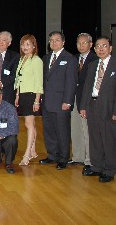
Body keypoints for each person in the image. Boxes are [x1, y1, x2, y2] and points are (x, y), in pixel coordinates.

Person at [80, 36, 116, 183]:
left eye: (104, 46)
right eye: (98, 46)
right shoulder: (92, 65)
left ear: (110, 48)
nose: (101, 49)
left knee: (109, 139)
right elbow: (87, 88)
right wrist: (83, 106)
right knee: (94, 138)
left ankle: (109, 170)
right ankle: (96, 166)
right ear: (94, 49)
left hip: (109, 108)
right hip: (92, 105)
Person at [39, 31, 77, 170]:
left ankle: (63, 157)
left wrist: (68, 101)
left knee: (62, 131)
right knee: (49, 130)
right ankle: (52, 155)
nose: (53, 43)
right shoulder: (46, 58)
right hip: (47, 101)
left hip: (62, 102)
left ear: (63, 42)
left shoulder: (70, 58)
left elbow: (71, 82)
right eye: (51, 40)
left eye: (56, 40)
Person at [14, 34, 43, 166]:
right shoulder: (22, 59)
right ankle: (33, 150)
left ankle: (26, 156)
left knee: (28, 124)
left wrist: (37, 100)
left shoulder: (36, 60)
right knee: (31, 124)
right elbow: (19, 79)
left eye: (28, 44)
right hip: (23, 94)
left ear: (33, 46)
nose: (25, 47)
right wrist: (17, 95)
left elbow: (38, 82)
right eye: (23, 44)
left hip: (32, 95)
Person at [70, 33, 98, 169]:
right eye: (79, 43)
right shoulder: (74, 59)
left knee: (87, 129)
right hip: (74, 98)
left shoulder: (95, 59)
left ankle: (89, 159)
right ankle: (78, 156)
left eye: (84, 43)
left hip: (87, 99)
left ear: (91, 44)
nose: (81, 46)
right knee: (75, 128)